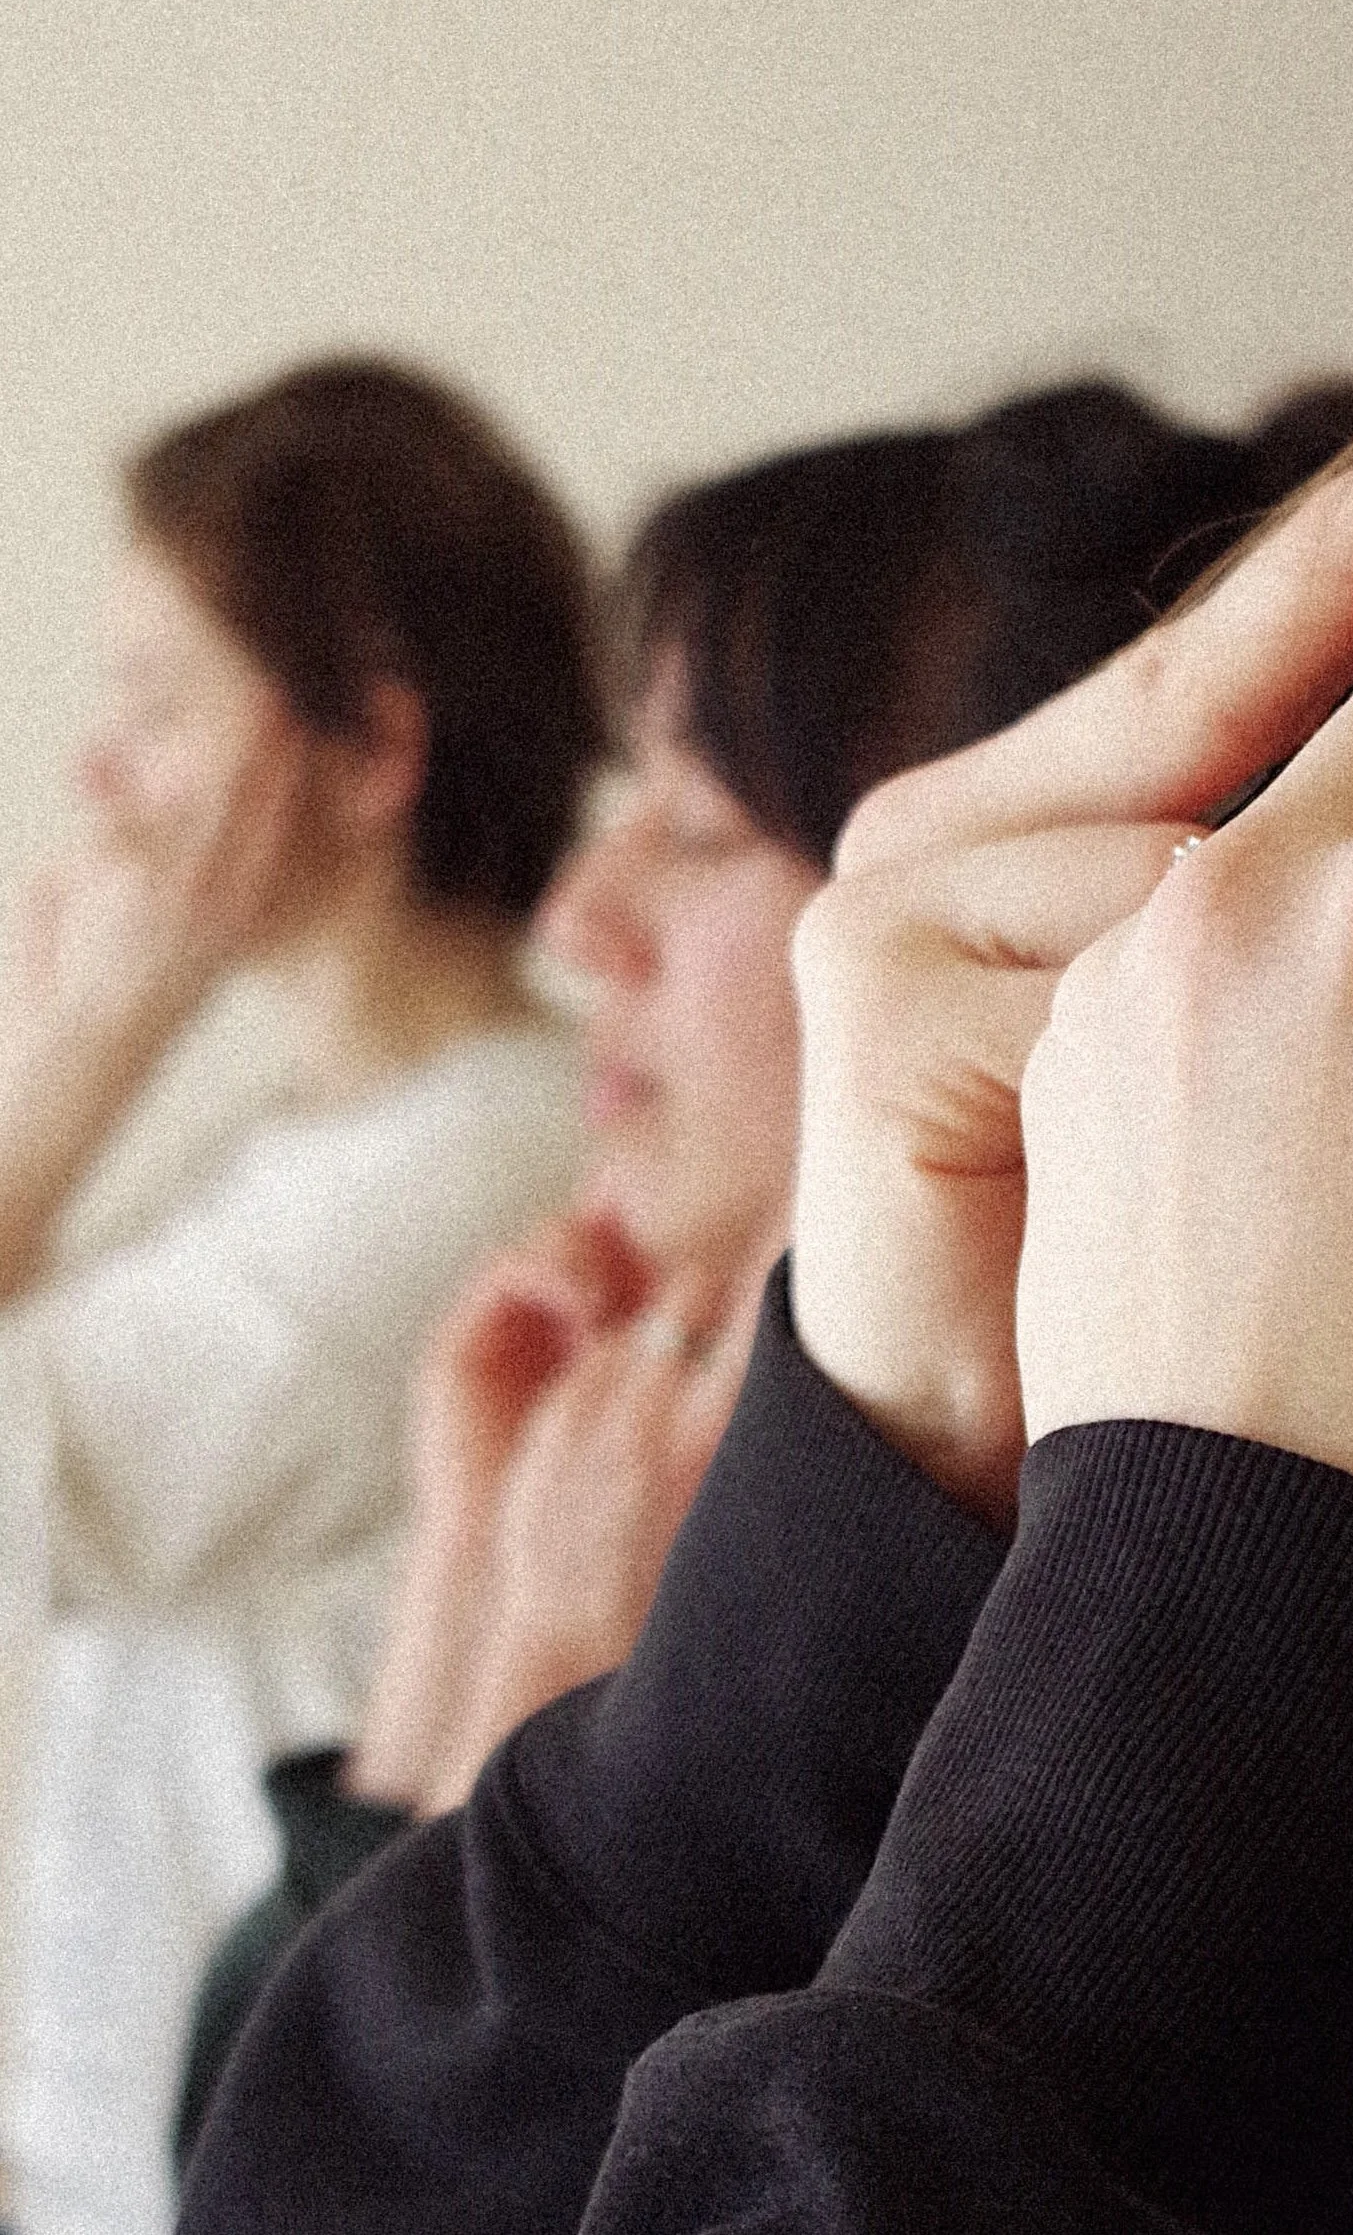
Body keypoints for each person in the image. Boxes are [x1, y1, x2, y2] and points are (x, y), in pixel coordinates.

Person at [170, 353, 1353, 2231]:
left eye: (697, 829)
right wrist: (474, 1623)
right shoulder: (710, 1475)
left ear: (1064, 913)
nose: (575, 917)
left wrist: (595, 1738)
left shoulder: (1250, 1678)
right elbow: (231, 2138)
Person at [0, 358, 600, 2235]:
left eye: (159, 704)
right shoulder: (314, 1140)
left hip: (225, 2147)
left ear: (370, 753)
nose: (101, 773)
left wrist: (84, 1048)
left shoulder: (472, 1168)